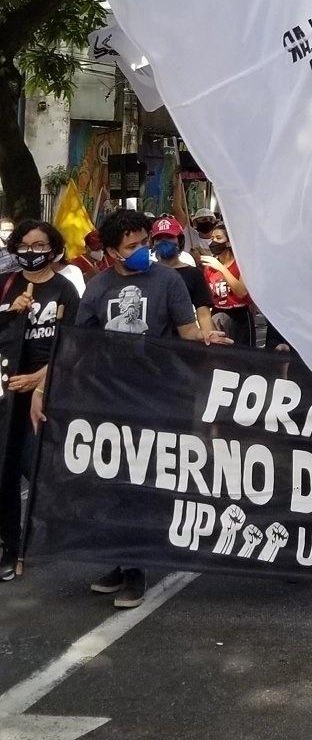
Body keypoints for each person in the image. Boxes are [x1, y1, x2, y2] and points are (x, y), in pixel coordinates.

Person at [76, 209, 231, 608]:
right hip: (109, 400)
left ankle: (136, 568)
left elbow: (187, 332)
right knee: (110, 484)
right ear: (111, 251)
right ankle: (118, 560)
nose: (143, 250)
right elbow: (80, 344)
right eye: (132, 246)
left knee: (141, 485)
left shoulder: (168, 281)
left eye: (144, 242)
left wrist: (206, 337)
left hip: (155, 398)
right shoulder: (97, 288)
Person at [0, 219, 80, 580]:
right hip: (6, 390)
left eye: (39, 246)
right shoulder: (7, 285)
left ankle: (48, 538)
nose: (32, 253)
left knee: (40, 468)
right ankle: (10, 548)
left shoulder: (65, 290)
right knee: (5, 470)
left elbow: (73, 345)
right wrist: (10, 311)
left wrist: (39, 378)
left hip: (46, 390)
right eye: (25, 246)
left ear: (53, 248)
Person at [150, 216, 214, 338]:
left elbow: (203, 313)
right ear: (153, 242)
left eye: (169, 237)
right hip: (154, 341)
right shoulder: (147, 272)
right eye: (159, 238)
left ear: (179, 240)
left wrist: (209, 339)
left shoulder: (194, 274)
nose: (164, 241)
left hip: (184, 341)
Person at [200, 221, 255, 345]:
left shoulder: (241, 264)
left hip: (239, 316)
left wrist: (221, 268)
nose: (214, 242)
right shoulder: (209, 268)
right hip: (217, 315)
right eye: (212, 238)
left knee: (244, 356)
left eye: (219, 238)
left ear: (229, 242)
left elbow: (241, 292)